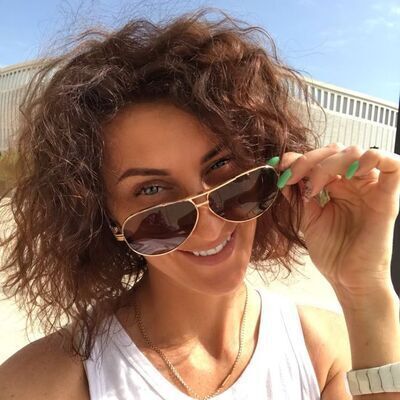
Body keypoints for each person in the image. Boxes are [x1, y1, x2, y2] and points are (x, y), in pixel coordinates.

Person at [0, 9, 399, 400]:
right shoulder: (43, 383)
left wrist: (364, 289)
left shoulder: (325, 353)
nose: (209, 227)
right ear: (105, 218)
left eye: (223, 167)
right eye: (152, 191)